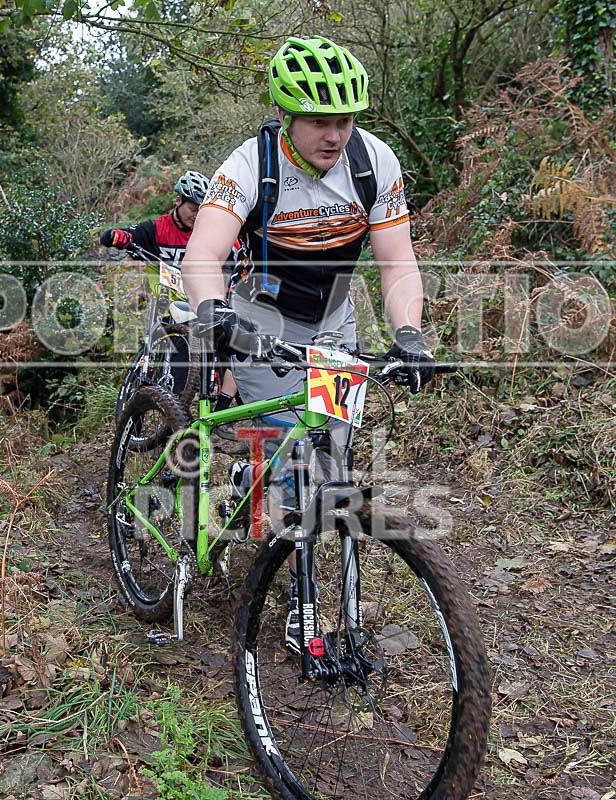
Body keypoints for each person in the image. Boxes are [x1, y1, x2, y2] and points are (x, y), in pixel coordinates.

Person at [182, 36, 435, 652]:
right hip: (258, 322)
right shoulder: (250, 164)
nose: (335, 134)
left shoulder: (374, 163)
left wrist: (408, 334)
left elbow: (397, 263)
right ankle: (302, 597)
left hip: (334, 325)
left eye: (345, 119)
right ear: (286, 117)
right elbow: (204, 253)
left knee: (332, 460)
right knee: (295, 465)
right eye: (320, 121)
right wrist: (215, 314)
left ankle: (274, 501)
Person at [100, 170, 241, 438]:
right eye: (192, 208)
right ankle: (151, 416)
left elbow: (238, 249)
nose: (197, 215)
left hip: (204, 300)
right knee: (176, 361)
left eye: (202, 209)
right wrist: (116, 237)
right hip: (168, 305)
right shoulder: (157, 229)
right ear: (178, 201)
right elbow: (130, 235)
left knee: (233, 347)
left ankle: (222, 414)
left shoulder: (209, 232)